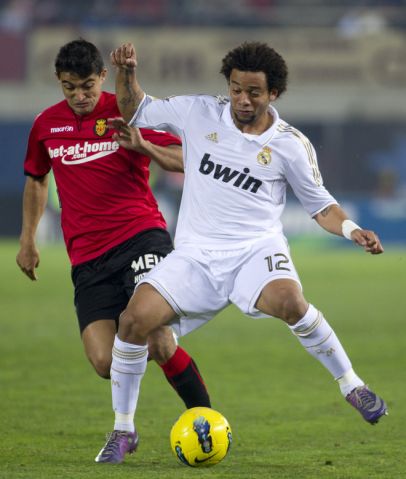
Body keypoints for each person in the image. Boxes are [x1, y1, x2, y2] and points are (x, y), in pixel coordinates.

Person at [97, 40, 388, 464]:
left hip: (255, 251)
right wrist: (126, 73)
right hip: (196, 256)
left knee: (291, 303)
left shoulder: (290, 144)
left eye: (254, 92)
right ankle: (124, 429)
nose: (243, 99)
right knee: (132, 321)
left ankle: (352, 386)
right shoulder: (198, 112)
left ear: (273, 93)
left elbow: (321, 205)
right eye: (236, 89)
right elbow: (135, 109)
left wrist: (352, 229)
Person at [16, 38, 212, 458]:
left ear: (103, 77)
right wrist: (28, 238)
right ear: (59, 82)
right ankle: (135, 416)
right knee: (106, 362)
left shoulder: (125, 112)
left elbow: (186, 157)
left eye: (87, 86)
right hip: (88, 258)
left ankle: (200, 420)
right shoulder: (45, 125)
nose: (80, 96)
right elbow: (36, 178)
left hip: (141, 236)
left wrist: (145, 146)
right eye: (70, 87)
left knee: (155, 336)